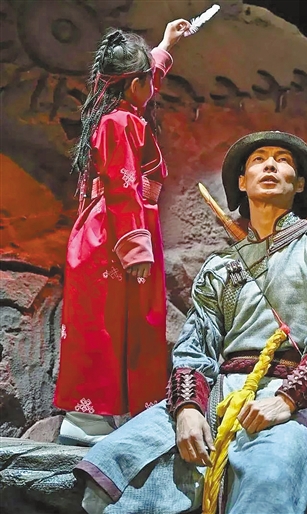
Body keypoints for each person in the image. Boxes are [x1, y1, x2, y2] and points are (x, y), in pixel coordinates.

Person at [73, 131, 307, 513]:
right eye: (258, 159)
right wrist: (187, 410)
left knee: (267, 477)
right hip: (217, 396)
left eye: (283, 160)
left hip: (295, 399)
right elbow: (194, 349)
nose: (270, 165)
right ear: (241, 181)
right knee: (120, 459)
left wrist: (285, 401)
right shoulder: (220, 266)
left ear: (300, 184)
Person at [54, 18, 192, 446]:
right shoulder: (120, 123)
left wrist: (166, 45)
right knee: (103, 323)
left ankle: (108, 412)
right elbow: (122, 185)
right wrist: (134, 247)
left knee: (121, 321)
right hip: (114, 233)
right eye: (149, 78)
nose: (153, 83)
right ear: (134, 84)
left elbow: (144, 78)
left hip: (115, 229)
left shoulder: (122, 112)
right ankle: (85, 418)